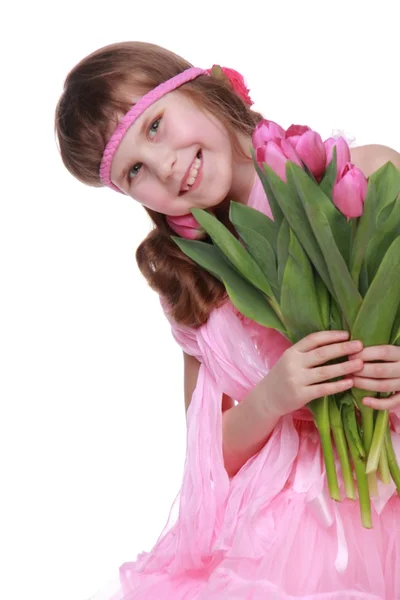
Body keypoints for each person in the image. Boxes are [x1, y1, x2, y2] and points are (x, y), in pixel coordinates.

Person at [55, 41, 400, 599]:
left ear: (197, 87)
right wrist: (271, 397)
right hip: (290, 528)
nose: (164, 165)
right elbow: (208, 457)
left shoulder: (362, 176)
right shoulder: (192, 280)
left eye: (157, 125)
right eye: (134, 170)